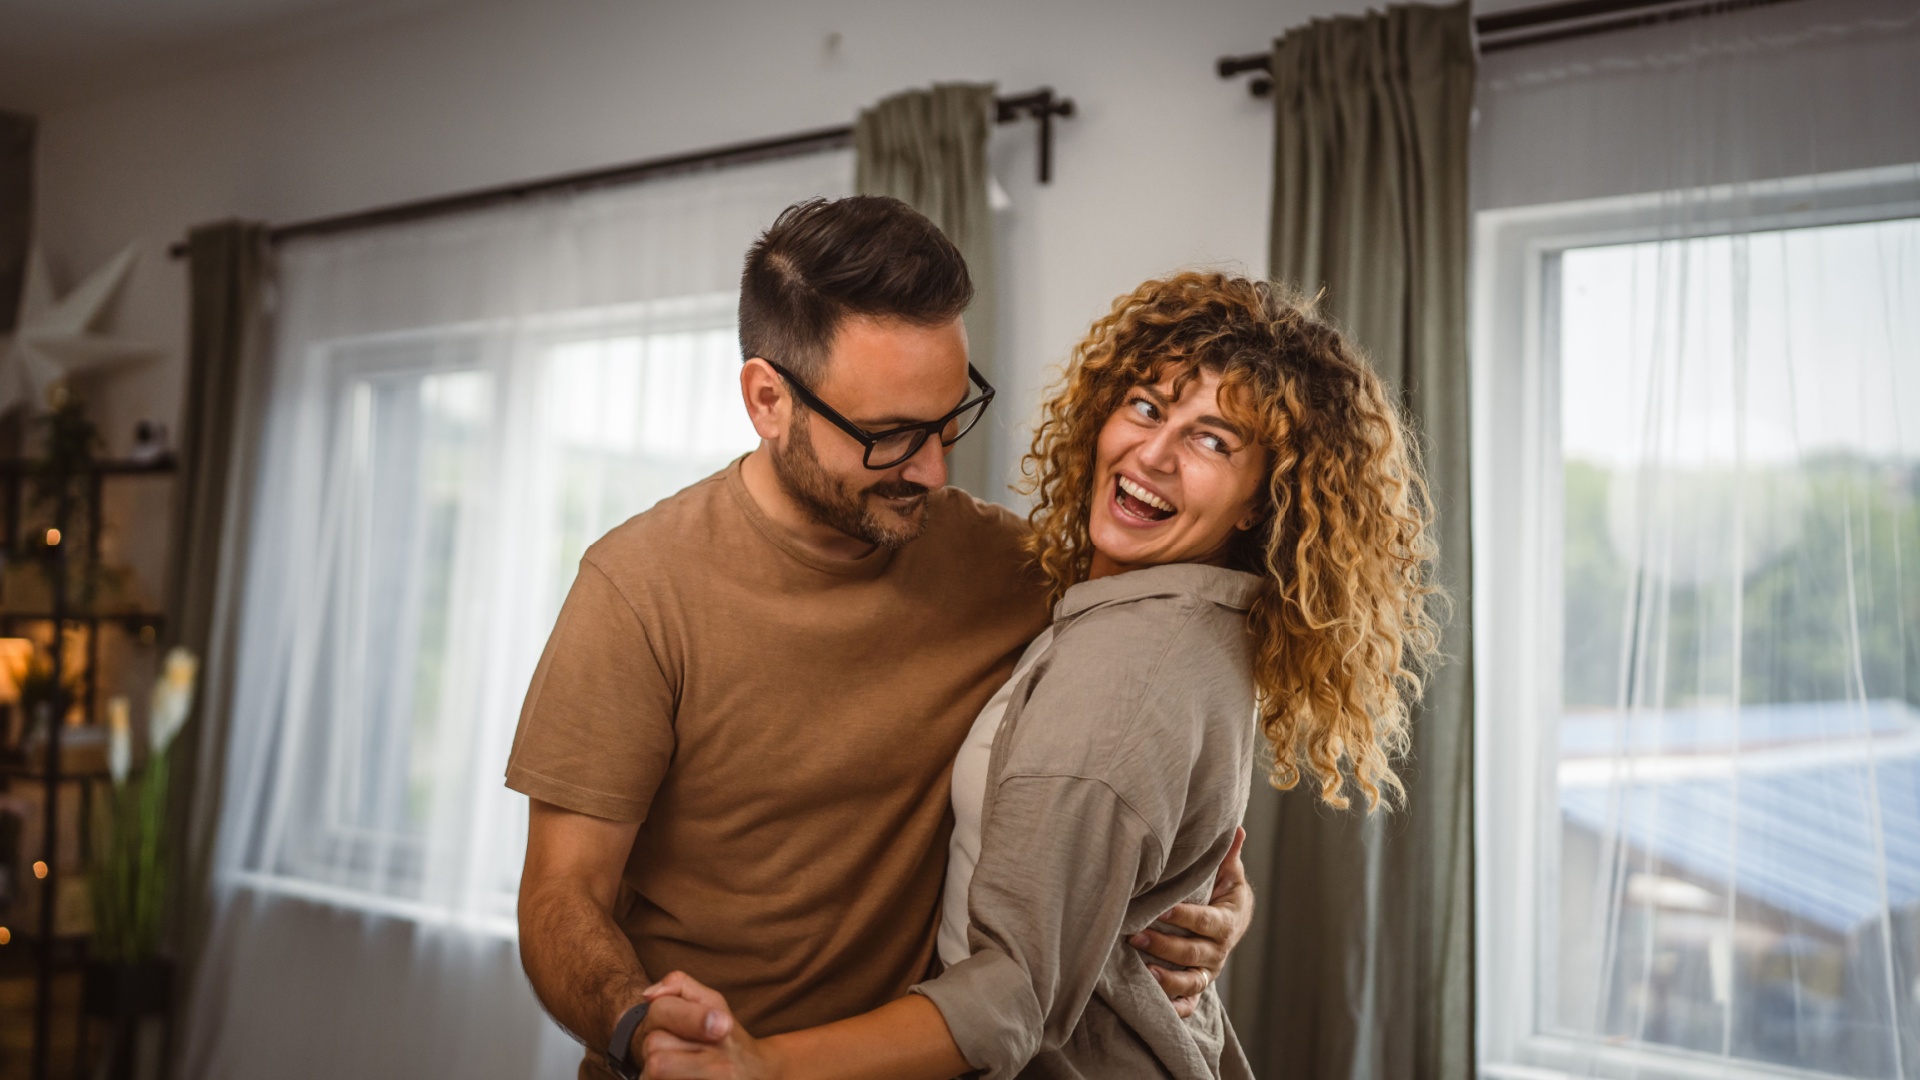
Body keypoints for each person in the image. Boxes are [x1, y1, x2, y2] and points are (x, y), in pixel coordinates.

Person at [506, 198, 1254, 1080]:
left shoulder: (1014, 569)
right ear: (768, 399)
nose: (934, 470)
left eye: (948, 420)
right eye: (889, 435)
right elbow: (563, 895)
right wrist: (637, 1022)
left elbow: (1130, 763)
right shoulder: (635, 592)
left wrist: (1217, 903)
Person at [635, 272, 1445, 1079]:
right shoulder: (1134, 613)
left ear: (1258, 503)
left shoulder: (1130, 672)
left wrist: (761, 1066)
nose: (1153, 454)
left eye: (1212, 441)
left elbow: (1011, 994)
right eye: (1148, 407)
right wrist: (1213, 900)